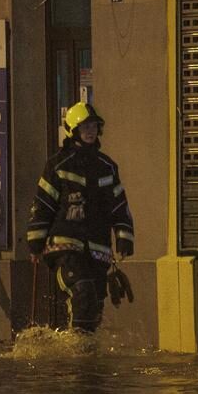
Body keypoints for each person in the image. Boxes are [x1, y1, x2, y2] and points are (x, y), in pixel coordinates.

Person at [25, 101, 134, 333]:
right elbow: (43, 204)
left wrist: (124, 237)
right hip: (66, 248)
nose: (90, 131)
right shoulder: (57, 165)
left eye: (94, 126)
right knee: (82, 293)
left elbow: (119, 205)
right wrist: (35, 243)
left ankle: (82, 353)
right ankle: (75, 353)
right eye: (85, 126)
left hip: (98, 250)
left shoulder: (107, 167)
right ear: (73, 130)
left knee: (94, 307)